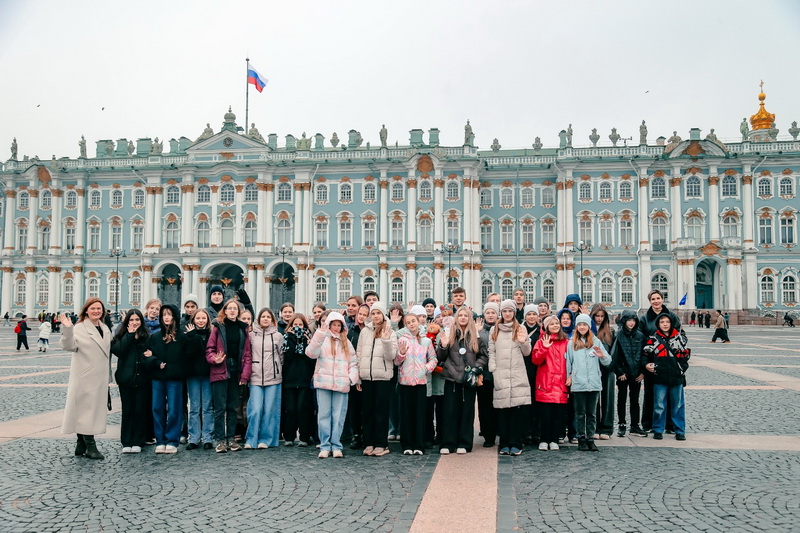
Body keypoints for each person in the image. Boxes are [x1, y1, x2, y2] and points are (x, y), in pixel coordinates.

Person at [60, 298, 113, 460]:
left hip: (99, 378)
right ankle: (90, 445)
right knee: (86, 412)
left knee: (89, 411)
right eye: (93, 308)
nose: (96, 311)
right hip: (85, 377)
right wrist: (67, 328)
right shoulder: (80, 328)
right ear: (86, 311)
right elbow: (69, 346)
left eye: (99, 308)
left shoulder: (105, 328)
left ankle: (80, 443)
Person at [306, 312, 358, 458]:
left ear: (342, 326)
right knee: (323, 414)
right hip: (324, 383)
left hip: (341, 384)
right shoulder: (322, 339)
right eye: (333, 325)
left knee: (338, 415)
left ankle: (336, 445)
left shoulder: (346, 342)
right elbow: (310, 353)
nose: (336, 328)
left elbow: (353, 363)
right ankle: (324, 445)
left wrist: (350, 378)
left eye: (338, 325)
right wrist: (319, 334)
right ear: (329, 325)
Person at [437, 307, 488, 455]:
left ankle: (464, 443)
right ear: (456, 318)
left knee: (467, 413)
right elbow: (441, 357)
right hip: (452, 378)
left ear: (470, 318)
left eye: (466, 315)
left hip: (468, 379)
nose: (463, 318)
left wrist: (476, 368)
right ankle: (448, 443)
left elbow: (483, 356)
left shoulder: (476, 337)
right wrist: (444, 345)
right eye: (461, 315)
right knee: (449, 412)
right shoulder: (449, 334)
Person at [206, 299, 253, 453]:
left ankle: (231, 438)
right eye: (229, 308)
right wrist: (215, 359)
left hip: (236, 370)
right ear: (225, 311)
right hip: (220, 369)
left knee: (232, 407)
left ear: (238, 312)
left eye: (235, 309)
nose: (232, 311)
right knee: (219, 408)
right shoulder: (218, 327)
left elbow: (247, 353)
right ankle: (220, 440)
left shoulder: (242, 329)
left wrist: (244, 375)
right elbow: (210, 349)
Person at [488, 300, 533, 456]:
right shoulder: (495, 329)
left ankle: (516, 443)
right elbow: (491, 351)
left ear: (514, 313)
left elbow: (527, 352)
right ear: (502, 312)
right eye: (505, 311)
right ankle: (504, 443)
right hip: (501, 373)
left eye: (510, 311)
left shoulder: (520, 328)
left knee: (516, 410)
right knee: (503, 411)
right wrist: (493, 369)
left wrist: (524, 342)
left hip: (516, 374)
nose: (507, 314)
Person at [356, 302, 398, 457]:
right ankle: (369, 442)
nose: (375, 316)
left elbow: (391, 356)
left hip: (383, 378)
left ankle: (381, 443)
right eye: (373, 314)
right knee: (367, 412)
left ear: (383, 314)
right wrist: (359, 377)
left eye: (378, 313)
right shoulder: (364, 332)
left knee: (381, 411)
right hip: (367, 377)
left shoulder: (390, 331)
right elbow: (359, 354)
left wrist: (386, 340)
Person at [566, 314, 611, 452]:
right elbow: (569, 363)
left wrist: (602, 356)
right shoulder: (571, 343)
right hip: (579, 383)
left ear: (589, 326)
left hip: (593, 383)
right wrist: (569, 377)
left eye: (584, 325)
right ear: (577, 327)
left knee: (592, 413)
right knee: (580, 413)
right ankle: (581, 438)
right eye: (579, 325)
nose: (582, 327)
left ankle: (590, 438)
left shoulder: (596, 342)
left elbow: (608, 361)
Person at [146, 305, 187, 454]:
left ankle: (172, 439)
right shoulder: (155, 337)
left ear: (175, 317)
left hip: (175, 377)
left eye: (169, 315)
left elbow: (188, 356)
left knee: (174, 409)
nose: (166, 317)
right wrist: (156, 363)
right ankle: (160, 439)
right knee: (157, 408)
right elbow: (148, 355)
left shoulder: (181, 336)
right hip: (158, 376)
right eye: (164, 315)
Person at [639, 290, 681, 433]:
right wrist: (644, 363)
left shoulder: (672, 317)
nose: (656, 301)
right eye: (653, 299)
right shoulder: (644, 319)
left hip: (669, 361)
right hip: (651, 361)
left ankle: (670, 425)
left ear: (662, 299)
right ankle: (648, 424)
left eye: (658, 298)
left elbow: (679, 337)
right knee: (650, 393)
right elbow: (642, 340)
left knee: (670, 393)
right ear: (649, 301)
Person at [643, 314, 690, 441]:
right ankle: (658, 429)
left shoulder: (679, 338)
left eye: (667, 322)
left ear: (671, 323)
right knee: (659, 405)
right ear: (658, 324)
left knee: (678, 405)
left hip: (676, 377)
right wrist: (647, 365)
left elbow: (685, 355)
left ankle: (679, 430)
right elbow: (646, 354)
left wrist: (681, 369)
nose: (665, 324)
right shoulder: (653, 339)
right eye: (662, 322)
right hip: (660, 376)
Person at [396, 311, 437, 455]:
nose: (411, 324)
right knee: (406, 414)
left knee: (420, 414)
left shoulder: (425, 341)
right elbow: (397, 362)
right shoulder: (402, 340)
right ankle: (407, 444)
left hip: (420, 382)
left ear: (418, 322)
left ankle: (419, 445)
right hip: (405, 382)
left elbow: (433, 359)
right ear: (406, 325)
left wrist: (425, 369)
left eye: (413, 321)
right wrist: (401, 354)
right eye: (408, 322)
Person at [111, 309, 151, 454]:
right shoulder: (121, 335)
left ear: (141, 321)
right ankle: (126, 441)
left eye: (137, 320)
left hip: (142, 379)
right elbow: (119, 351)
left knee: (140, 410)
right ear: (127, 322)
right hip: (126, 379)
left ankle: (138, 441)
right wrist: (129, 335)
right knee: (127, 410)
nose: (135, 323)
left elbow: (148, 354)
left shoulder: (146, 336)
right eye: (132, 320)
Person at [245, 308, 284, 449]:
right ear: (259, 319)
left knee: (269, 410)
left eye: (268, 316)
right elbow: (247, 354)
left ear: (272, 319)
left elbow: (282, 356)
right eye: (263, 316)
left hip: (273, 378)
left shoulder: (278, 336)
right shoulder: (251, 335)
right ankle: (251, 439)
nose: (265, 319)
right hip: (255, 377)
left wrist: (277, 369)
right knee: (255, 409)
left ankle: (266, 440)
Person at [531, 315, 569, 450]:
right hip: (545, 383)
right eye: (552, 324)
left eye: (556, 323)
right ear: (546, 327)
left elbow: (570, 362)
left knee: (558, 415)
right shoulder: (541, 341)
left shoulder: (566, 342)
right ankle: (544, 439)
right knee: (545, 415)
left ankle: (554, 439)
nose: (555, 326)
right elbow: (536, 360)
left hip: (561, 383)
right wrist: (545, 348)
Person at [282, 313, 315, 446]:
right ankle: (289, 436)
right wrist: (291, 338)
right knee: (290, 409)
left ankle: (304, 437)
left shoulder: (309, 338)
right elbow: (288, 356)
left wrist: (306, 342)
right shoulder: (286, 338)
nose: (297, 327)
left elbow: (310, 358)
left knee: (303, 408)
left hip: (304, 378)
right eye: (295, 324)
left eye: (300, 324)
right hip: (290, 379)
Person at [612, 311, 647, 437]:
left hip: (637, 373)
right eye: (629, 320)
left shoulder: (640, 336)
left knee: (635, 400)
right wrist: (619, 371)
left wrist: (643, 372)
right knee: (621, 399)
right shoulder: (618, 335)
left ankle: (635, 425)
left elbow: (645, 354)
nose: (631, 323)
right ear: (624, 321)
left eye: (633, 320)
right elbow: (614, 355)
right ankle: (622, 424)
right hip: (623, 374)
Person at [184, 309, 214, 450]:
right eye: (198, 318)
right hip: (193, 374)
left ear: (207, 320)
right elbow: (190, 353)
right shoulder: (188, 335)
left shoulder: (212, 334)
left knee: (207, 407)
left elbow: (206, 352)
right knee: (195, 407)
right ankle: (194, 437)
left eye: (203, 318)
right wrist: (193, 336)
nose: (201, 321)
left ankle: (208, 436)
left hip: (208, 373)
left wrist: (194, 336)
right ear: (193, 320)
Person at [345, 304, 370, 450]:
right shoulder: (351, 331)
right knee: (354, 407)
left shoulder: (370, 332)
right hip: (354, 373)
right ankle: (356, 434)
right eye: (360, 313)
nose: (361, 316)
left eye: (365, 314)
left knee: (366, 407)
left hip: (367, 373)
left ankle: (366, 434)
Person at [590, 304, 615, 440]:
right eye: (597, 316)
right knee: (594, 399)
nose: (599, 319)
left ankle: (606, 428)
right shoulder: (588, 331)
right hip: (593, 369)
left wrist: (612, 367)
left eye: (601, 316)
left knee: (607, 398)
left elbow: (614, 352)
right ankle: (594, 427)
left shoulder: (610, 332)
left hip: (607, 369)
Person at [476, 302, 500, 448]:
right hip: (483, 374)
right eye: (488, 312)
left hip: (499, 373)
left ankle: (499, 430)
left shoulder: (501, 329)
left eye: (493, 312)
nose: (490, 315)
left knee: (499, 405)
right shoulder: (479, 331)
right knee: (484, 406)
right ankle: (487, 435)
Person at [521, 302, 542, 445]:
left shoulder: (542, 332)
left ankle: (536, 432)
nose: (532, 316)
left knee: (537, 403)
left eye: (534, 314)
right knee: (524, 403)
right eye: (529, 314)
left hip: (538, 371)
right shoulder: (520, 330)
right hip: (523, 370)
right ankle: (525, 432)